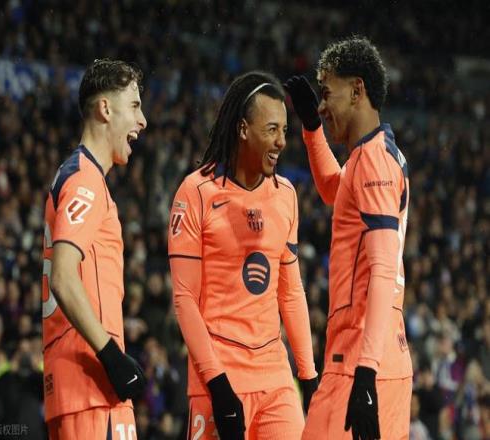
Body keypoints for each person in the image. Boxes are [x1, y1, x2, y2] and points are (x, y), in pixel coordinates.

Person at [168, 71, 318, 440]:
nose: (282, 141)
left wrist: (308, 376)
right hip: (218, 375)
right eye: (272, 129)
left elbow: (290, 292)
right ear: (243, 129)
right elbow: (185, 299)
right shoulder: (196, 192)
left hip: (274, 377)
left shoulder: (286, 195)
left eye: (285, 130)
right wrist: (217, 384)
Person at [284, 36, 413, 439]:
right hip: (380, 355)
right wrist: (311, 129)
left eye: (327, 94)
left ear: (357, 90)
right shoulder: (374, 154)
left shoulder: (373, 160)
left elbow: (382, 268)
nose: (322, 107)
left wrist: (366, 371)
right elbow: (333, 190)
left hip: (360, 357)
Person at [42, 59, 148, 439]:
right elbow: (63, 276)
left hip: (76, 390)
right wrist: (112, 357)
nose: (143, 121)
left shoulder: (75, 175)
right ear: (105, 109)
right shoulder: (84, 180)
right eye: (134, 106)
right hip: (92, 389)